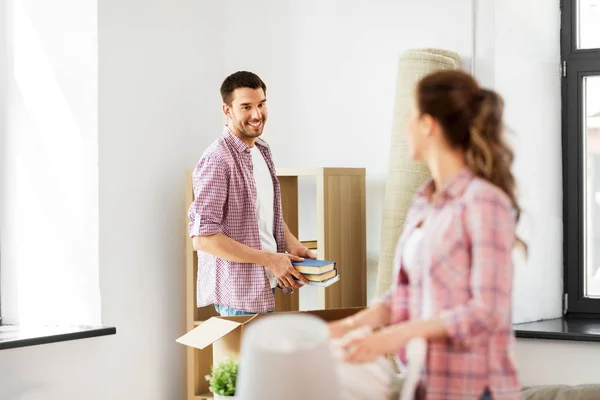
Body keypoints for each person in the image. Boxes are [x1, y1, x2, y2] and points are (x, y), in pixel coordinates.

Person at [329, 70, 523, 400]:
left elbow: (486, 311)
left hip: (476, 387)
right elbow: (405, 293)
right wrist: (348, 326)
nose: (405, 128)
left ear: (428, 124)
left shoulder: (484, 202)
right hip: (426, 382)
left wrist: (398, 335)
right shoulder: (424, 201)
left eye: (410, 116)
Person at [188, 71, 313, 316]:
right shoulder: (217, 160)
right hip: (237, 296)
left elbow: (263, 214)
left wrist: (292, 244)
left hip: (265, 284)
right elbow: (203, 238)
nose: (257, 115)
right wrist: (269, 259)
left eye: (261, 104)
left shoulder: (262, 151)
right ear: (227, 110)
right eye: (246, 107)